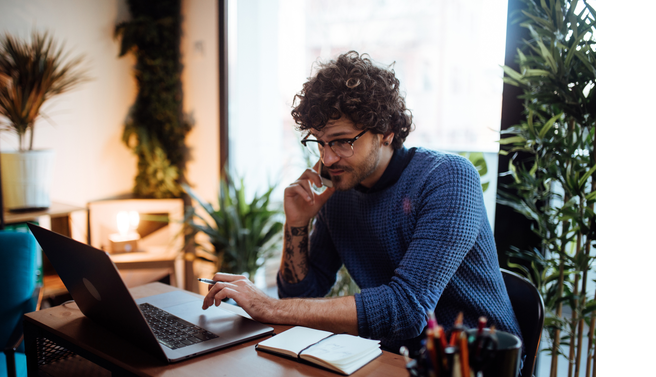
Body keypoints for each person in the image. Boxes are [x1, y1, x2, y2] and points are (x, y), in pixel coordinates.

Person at [202, 51, 521, 353]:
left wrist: (268, 305)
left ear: (387, 131)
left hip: (481, 366)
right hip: (395, 360)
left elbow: (407, 309)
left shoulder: (448, 178)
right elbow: (301, 295)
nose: (327, 158)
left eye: (342, 141)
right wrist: (297, 223)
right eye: (320, 143)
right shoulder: (338, 190)